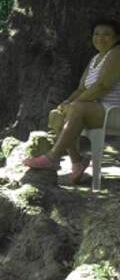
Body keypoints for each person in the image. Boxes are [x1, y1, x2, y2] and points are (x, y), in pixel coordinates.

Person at [25, 19, 120, 183]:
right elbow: (81, 89)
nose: (100, 38)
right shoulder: (96, 59)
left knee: (75, 109)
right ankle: (78, 162)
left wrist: (73, 105)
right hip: (95, 110)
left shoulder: (117, 53)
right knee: (59, 114)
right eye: (96, 34)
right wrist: (66, 103)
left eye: (107, 34)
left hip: (114, 111)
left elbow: (102, 86)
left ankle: (52, 158)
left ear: (117, 37)